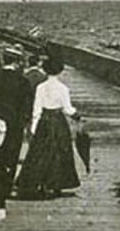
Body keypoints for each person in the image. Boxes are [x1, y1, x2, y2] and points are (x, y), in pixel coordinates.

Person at [16, 57, 80, 199]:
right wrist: (77, 115)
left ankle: (40, 183)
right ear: (60, 71)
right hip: (58, 121)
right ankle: (57, 184)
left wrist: (33, 126)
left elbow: (36, 109)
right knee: (60, 152)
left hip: (44, 121)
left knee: (40, 153)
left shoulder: (41, 87)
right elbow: (67, 108)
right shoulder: (63, 88)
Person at [0, 47, 33, 192]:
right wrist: (25, 122)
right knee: (12, 154)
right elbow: (27, 107)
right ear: (17, 62)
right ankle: (7, 184)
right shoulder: (23, 81)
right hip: (14, 124)